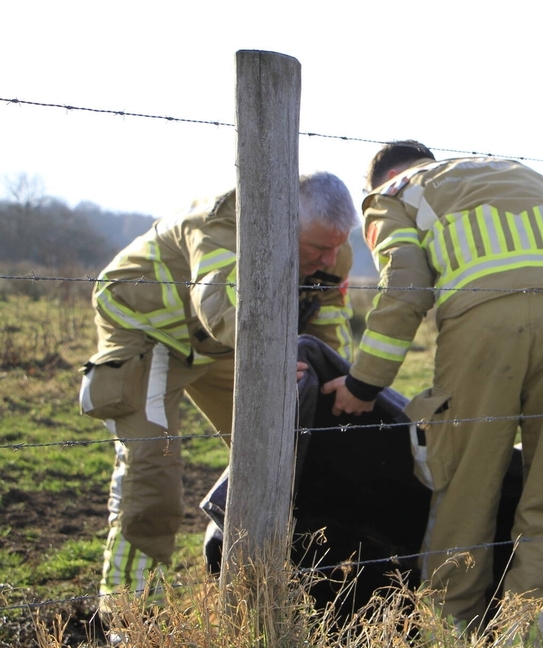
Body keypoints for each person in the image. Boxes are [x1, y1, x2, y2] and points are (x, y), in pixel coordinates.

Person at [323, 141, 543, 631]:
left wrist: (364, 382)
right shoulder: (526, 177)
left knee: (465, 483)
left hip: (482, 325)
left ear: (376, 181)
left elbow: (405, 285)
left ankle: (450, 638)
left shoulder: (392, 194)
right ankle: (539, 638)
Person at [79, 172, 360, 621]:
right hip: (150, 332)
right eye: (317, 248)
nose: (330, 258)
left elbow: (328, 322)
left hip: (225, 345)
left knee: (288, 453)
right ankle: (128, 617)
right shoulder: (221, 227)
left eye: (336, 246)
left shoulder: (330, 247)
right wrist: (271, 356)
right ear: (283, 223)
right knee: (153, 474)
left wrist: (327, 380)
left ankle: (273, 587)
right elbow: (218, 302)